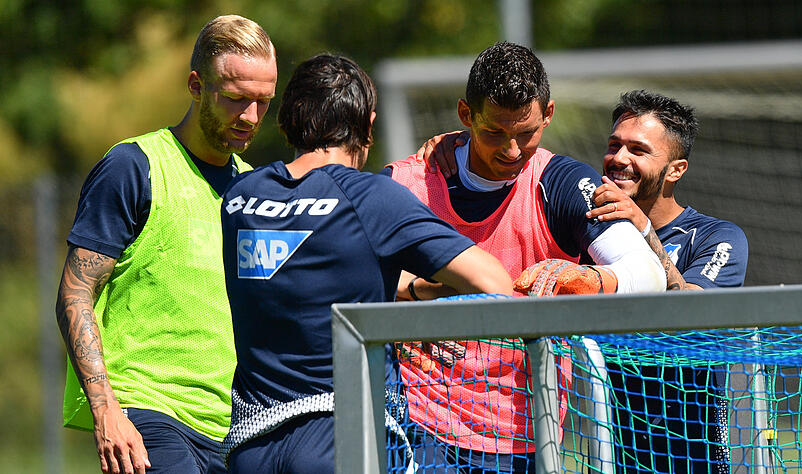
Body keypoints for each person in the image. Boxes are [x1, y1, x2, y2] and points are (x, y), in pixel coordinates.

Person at [218, 53, 513, 474]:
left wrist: (406, 288)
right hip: (344, 440)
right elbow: (492, 280)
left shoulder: (239, 197)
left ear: (288, 118)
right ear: (368, 124)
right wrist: (421, 310)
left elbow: (310, 272)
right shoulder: (371, 198)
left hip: (252, 450)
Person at [382, 42, 666, 473]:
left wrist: (587, 279)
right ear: (465, 115)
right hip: (417, 422)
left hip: (526, 429)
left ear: (548, 114)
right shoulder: (404, 183)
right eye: (495, 133)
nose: (512, 151)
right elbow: (348, 283)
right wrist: (414, 297)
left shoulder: (562, 182)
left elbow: (647, 273)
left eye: (527, 133)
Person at [55, 15, 277, 474]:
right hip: (148, 412)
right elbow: (75, 293)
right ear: (196, 85)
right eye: (236, 99)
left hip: (235, 427)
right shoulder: (134, 166)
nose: (251, 118)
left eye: (263, 102)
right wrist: (106, 412)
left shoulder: (256, 191)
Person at [584, 89, 749, 473]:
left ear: (676, 169)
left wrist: (641, 230)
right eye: (613, 145)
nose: (618, 159)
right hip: (606, 447)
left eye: (638, 150)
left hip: (694, 452)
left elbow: (689, 313)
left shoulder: (717, 237)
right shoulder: (589, 229)